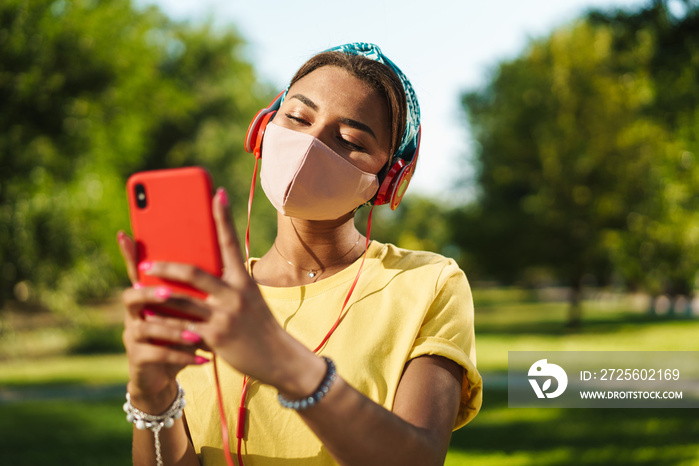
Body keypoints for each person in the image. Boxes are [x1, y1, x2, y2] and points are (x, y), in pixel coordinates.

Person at [117, 42, 482, 466]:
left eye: (349, 139)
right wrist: (154, 401)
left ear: (386, 182)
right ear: (262, 130)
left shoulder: (428, 284)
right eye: (297, 117)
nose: (311, 142)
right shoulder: (206, 298)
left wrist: (288, 366)